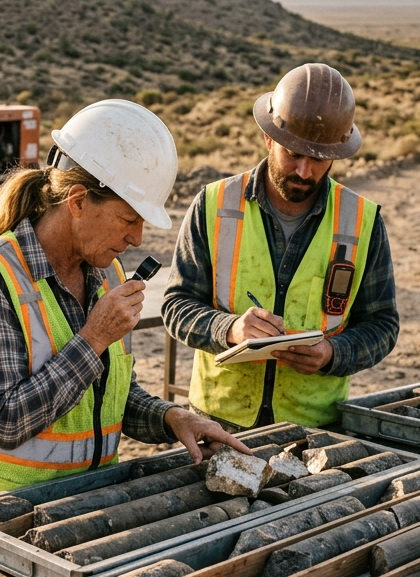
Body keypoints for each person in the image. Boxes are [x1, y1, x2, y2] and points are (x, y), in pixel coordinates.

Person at [0, 99, 247, 577]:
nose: (138, 238)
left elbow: (109, 395)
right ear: (78, 200)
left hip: (78, 519)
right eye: (129, 220)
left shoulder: (101, 274)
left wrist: (171, 416)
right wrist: (95, 336)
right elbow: (5, 419)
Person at [162, 63, 399, 430]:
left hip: (316, 428)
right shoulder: (213, 205)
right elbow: (176, 307)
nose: (304, 171)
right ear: (269, 138)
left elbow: (382, 325)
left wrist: (334, 353)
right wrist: (229, 330)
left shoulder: (363, 222)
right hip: (219, 422)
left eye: (318, 158)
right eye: (293, 153)